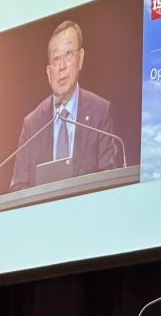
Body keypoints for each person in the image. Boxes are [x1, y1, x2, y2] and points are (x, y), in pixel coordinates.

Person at [9, 20, 120, 192]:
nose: (61, 67)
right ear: (49, 73)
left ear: (80, 58)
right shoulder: (32, 125)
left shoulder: (100, 111)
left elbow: (109, 177)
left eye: (68, 54)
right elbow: (18, 187)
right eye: (56, 59)